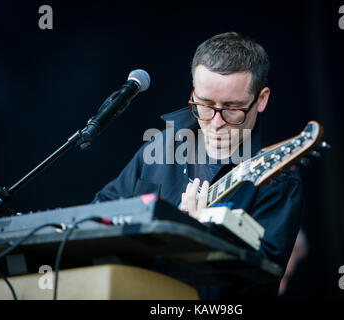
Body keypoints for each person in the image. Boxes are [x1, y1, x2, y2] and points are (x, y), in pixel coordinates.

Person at [93, 32, 304, 298]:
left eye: (232, 108)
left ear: (261, 100)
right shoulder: (161, 147)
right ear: (193, 92)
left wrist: (200, 240)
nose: (216, 122)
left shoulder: (278, 180)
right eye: (204, 104)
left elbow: (255, 290)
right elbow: (100, 214)